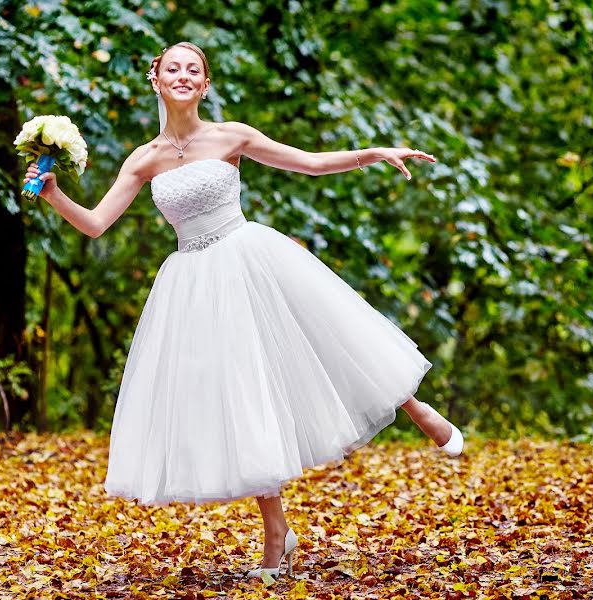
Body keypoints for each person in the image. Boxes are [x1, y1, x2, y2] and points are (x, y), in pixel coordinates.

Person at [24, 41, 464, 580]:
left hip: (248, 256)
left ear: (204, 85)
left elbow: (309, 163)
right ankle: (277, 529)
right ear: (156, 81)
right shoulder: (144, 158)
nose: (183, 76)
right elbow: (95, 223)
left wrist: (370, 153)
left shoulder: (231, 135)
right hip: (193, 282)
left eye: (194, 70)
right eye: (173, 69)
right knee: (239, 397)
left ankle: (417, 409)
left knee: (324, 331)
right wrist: (53, 195)